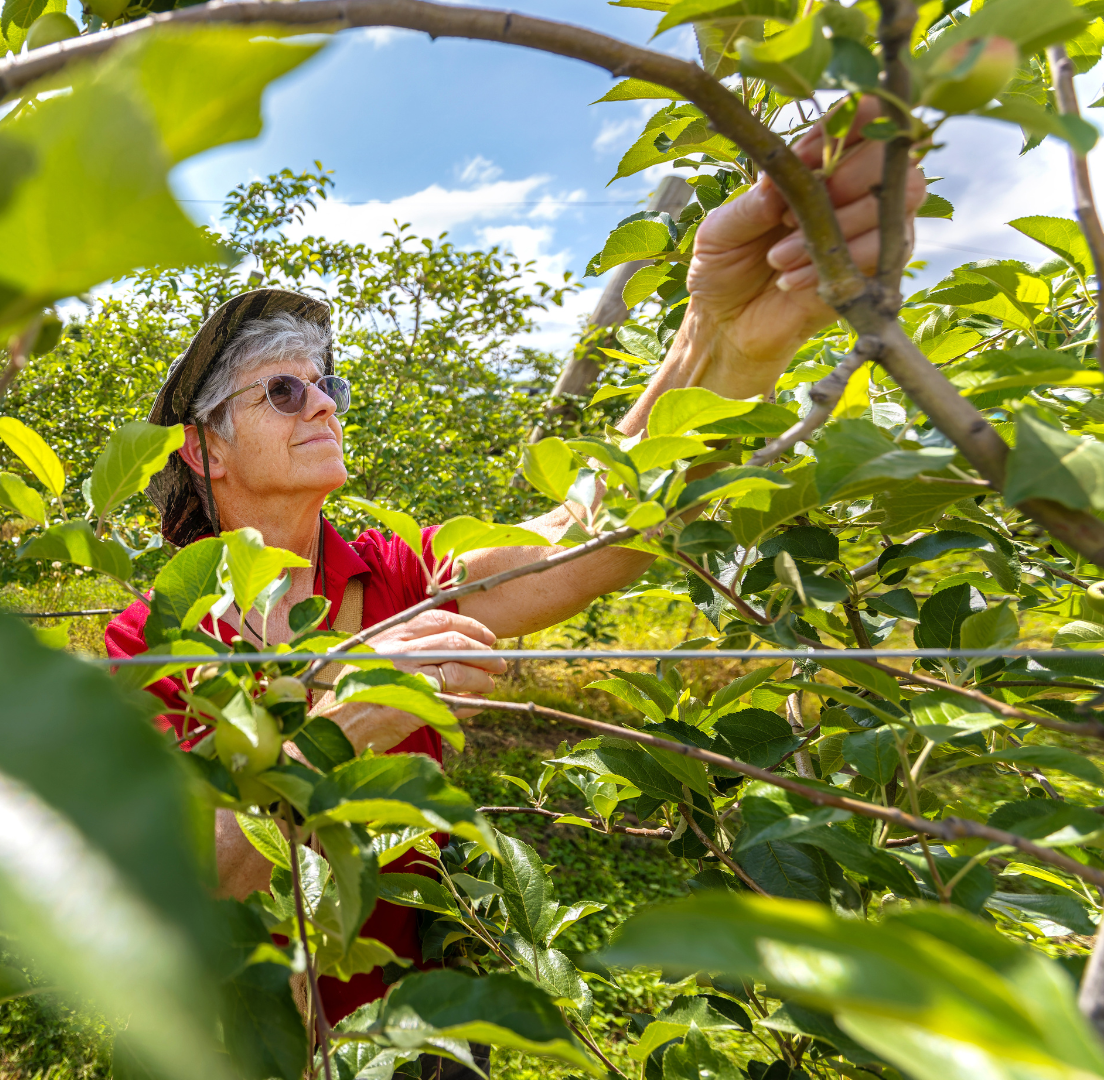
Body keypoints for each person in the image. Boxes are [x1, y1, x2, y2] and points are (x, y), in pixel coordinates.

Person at [104, 120, 928, 1029]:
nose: (325, 403)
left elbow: (591, 531)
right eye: (283, 390)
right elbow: (178, 878)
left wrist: (719, 343)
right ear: (201, 447)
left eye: (328, 382)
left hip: (425, 1016)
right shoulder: (153, 638)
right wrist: (336, 733)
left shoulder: (399, 570)